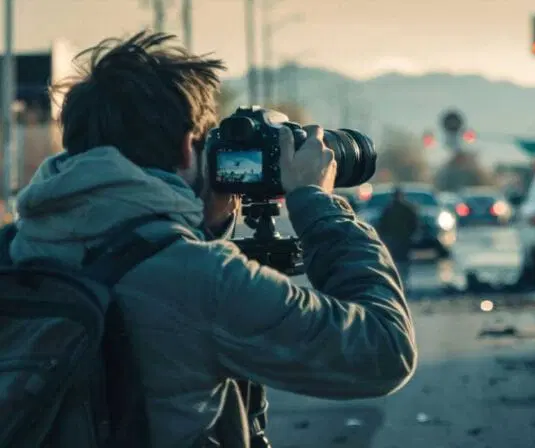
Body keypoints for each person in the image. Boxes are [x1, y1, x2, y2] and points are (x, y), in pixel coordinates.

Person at [7, 31, 416, 446]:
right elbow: (383, 351)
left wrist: (205, 220)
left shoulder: (14, 250)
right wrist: (317, 203)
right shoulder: (200, 279)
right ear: (188, 149)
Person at [375, 187, 420, 291]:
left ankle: (399, 283)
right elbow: (414, 223)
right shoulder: (405, 209)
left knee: (397, 262)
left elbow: (381, 225)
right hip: (400, 239)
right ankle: (402, 282)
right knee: (401, 262)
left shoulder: (390, 209)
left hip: (397, 239)